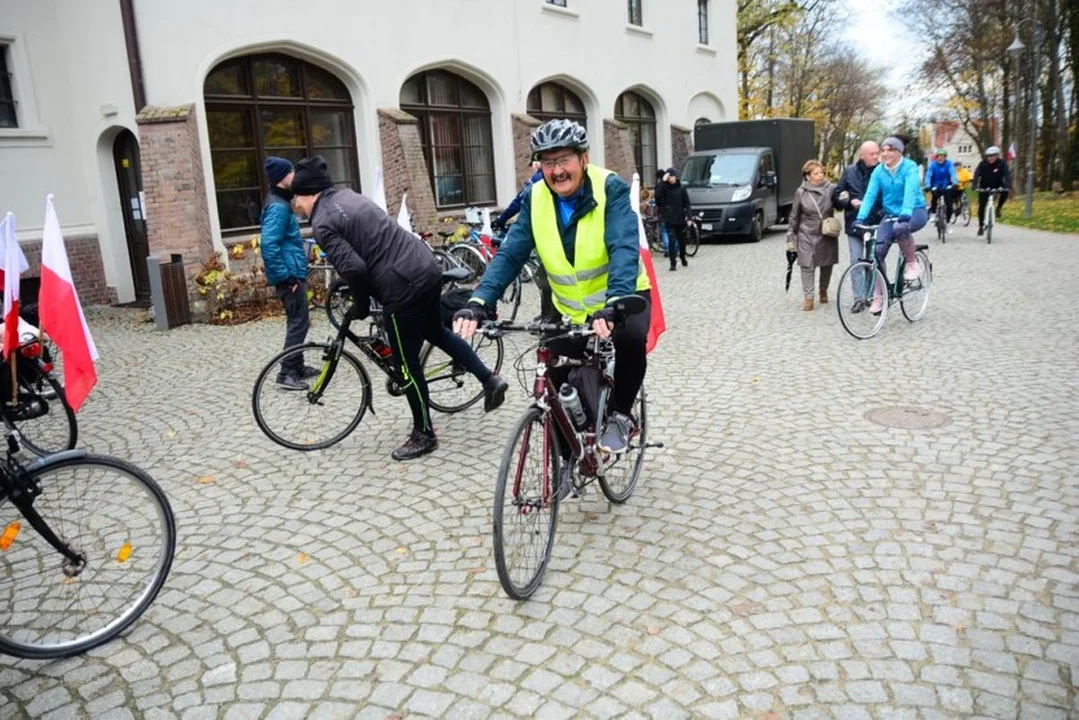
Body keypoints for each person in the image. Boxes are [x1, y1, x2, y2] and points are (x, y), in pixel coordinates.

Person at [452, 118, 652, 459]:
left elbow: (623, 246)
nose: (556, 170)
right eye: (547, 162)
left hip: (622, 297)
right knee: (555, 367)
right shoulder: (535, 198)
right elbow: (512, 253)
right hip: (569, 306)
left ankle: (620, 415)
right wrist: (480, 300)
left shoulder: (610, 188)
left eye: (563, 160)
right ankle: (568, 453)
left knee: (631, 340)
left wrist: (615, 302)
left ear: (583, 159)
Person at [289, 156, 509, 462]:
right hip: (424, 265)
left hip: (401, 285)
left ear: (308, 192)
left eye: (296, 198)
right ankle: (490, 380)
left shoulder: (323, 221)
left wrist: (362, 304)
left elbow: (355, 266)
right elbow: (369, 245)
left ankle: (424, 434)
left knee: (405, 364)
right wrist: (347, 283)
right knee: (437, 333)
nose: (295, 205)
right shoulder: (349, 197)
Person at [855, 136, 928, 314]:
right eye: (884, 150)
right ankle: (880, 296)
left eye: (890, 150)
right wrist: (861, 217)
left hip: (915, 211)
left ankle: (912, 264)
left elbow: (910, 189)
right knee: (877, 252)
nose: (886, 153)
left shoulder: (909, 167)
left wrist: (906, 211)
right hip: (891, 214)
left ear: (899, 152)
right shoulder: (879, 171)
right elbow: (871, 195)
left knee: (900, 228)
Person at [260, 157, 314, 390]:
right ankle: (287, 372)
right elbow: (268, 245)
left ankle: (298, 365)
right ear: (282, 178)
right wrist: (286, 277)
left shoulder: (281, 202)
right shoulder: (277, 207)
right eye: (292, 172)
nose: (295, 176)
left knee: (299, 320)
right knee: (298, 322)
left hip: (292, 271)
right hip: (289, 275)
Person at [493, 160, 556, 320]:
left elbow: (518, 202)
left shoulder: (536, 181)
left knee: (546, 276)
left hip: (545, 232)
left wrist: (501, 219)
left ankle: (547, 315)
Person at [833, 141, 881, 313]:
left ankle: (872, 296)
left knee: (873, 260)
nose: (876, 157)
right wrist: (848, 202)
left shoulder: (882, 172)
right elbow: (837, 195)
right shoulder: (849, 172)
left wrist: (874, 207)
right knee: (856, 261)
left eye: (877, 153)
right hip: (854, 223)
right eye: (872, 154)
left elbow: (888, 197)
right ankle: (859, 298)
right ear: (862, 155)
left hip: (875, 222)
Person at [786, 160, 838, 311]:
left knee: (827, 263)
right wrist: (791, 237)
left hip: (826, 231)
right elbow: (794, 216)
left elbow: (841, 202)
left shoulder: (831, 189)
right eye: (816, 173)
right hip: (806, 233)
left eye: (821, 173)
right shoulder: (800, 193)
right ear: (807, 176)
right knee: (807, 265)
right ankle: (808, 298)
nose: (820, 176)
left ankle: (823, 290)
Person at [659, 168, 692, 271]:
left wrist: (689, 216)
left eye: (671, 177)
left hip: (680, 218)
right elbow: (657, 196)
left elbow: (687, 203)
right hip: (669, 218)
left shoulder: (681, 188)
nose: (670, 179)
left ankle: (682, 256)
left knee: (682, 241)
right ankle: (672, 262)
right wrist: (662, 182)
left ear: (675, 177)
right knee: (671, 241)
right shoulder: (664, 188)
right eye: (668, 178)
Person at [973, 146, 1011, 236]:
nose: (990, 158)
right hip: (984, 185)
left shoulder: (1002, 163)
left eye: (993, 156)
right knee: (982, 206)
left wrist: (1008, 185)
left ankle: (998, 208)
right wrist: (974, 185)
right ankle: (981, 226)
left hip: (998, 184)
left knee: (1005, 192)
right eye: (989, 156)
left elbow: (1007, 175)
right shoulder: (982, 164)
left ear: (997, 156)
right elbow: (976, 174)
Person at [924, 149, 958, 232]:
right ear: (937, 157)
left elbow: (953, 173)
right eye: (939, 156)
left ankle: (948, 223)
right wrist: (928, 185)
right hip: (935, 185)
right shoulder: (933, 165)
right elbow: (928, 175)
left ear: (945, 157)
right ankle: (933, 213)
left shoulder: (949, 164)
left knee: (949, 204)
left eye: (942, 156)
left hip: (946, 186)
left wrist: (955, 183)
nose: (940, 158)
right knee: (935, 198)